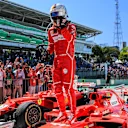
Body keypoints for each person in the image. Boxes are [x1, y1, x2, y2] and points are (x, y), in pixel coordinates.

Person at [47, 3, 77, 123]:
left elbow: (70, 39)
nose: (55, 19)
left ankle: (73, 113)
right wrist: (46, 51)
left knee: (68, 88)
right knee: (57, 88)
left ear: (63, 14)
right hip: (56, 61)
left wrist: (63, 28)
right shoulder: (50, 30)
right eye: (53, 16)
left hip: (68, 60)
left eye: (57, 15)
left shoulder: (71, 27)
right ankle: (62, 112)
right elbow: (51, 45)